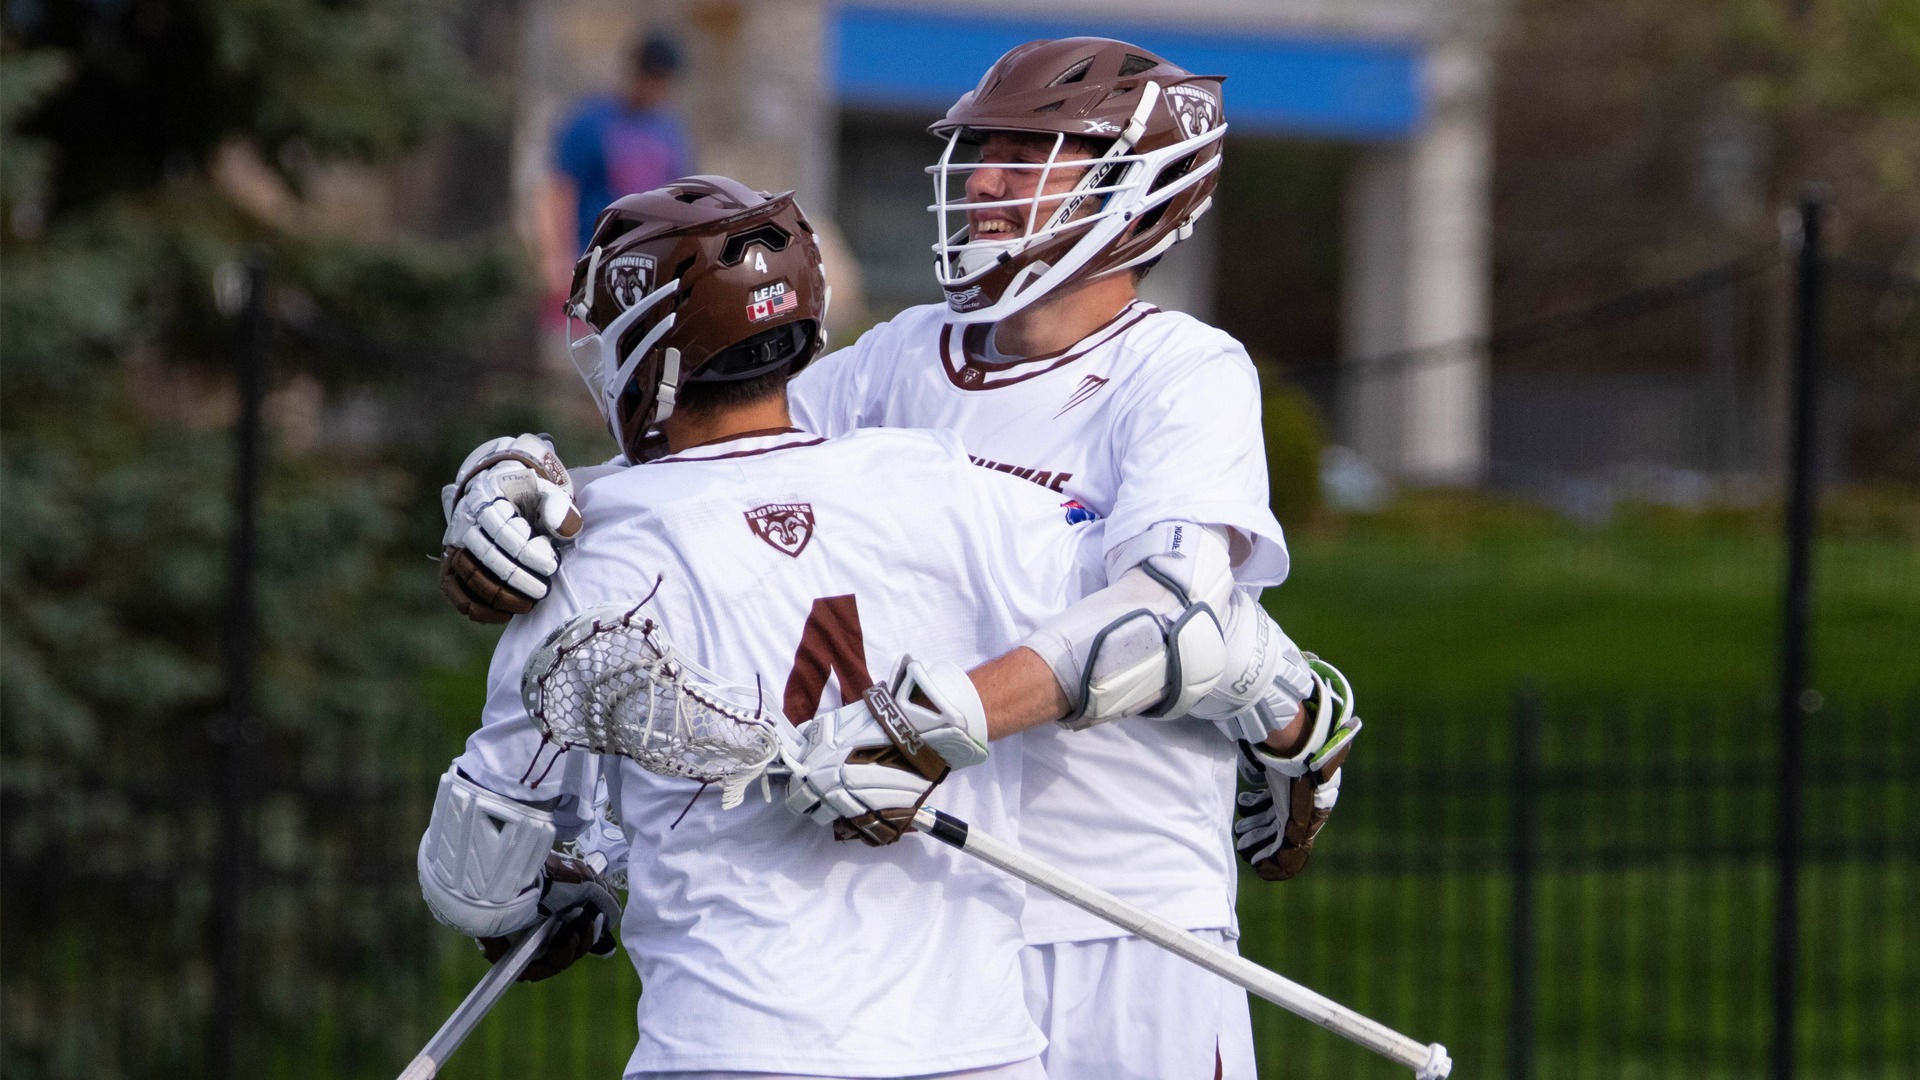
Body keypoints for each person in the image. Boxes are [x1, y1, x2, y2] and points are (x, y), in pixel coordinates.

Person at [439, 39, 1360, 1080]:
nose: (984, 179)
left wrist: (931, 722)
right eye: (979, 150)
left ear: (1141, 188)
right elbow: (714, 482)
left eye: (1033, 152)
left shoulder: (1184, 371)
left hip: (1129, 905)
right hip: (952, 934)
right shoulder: (898, 354)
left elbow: (1177, 623)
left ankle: (1301, 713)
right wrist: (522, 486)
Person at [538, 35, 694, 301]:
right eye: (651, 76)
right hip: (592, 268)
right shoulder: (590, 122)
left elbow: (683, 200)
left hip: (651, 272)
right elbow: (559, 191)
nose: (656, 88)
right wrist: (555, 257)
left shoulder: (670, 132)